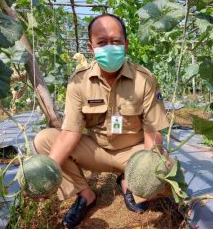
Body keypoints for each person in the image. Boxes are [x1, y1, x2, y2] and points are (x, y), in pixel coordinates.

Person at [33, 13, 169, 228]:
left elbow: (153, 130)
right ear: (91, 47)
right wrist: (44, 175)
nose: (109, 47)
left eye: (115, 41)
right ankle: (85, 194)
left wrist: (148, 170)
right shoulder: (78, 81)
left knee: (165, 166)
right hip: (96, 151)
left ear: (126, 44)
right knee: (44, 140)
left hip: (133, 153)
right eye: (102, 42)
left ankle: (129, 183)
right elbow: (71, 132)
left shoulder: (144, 79)